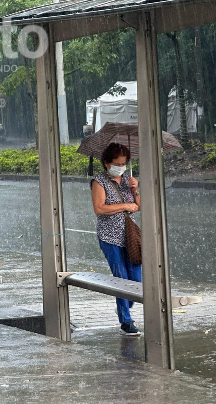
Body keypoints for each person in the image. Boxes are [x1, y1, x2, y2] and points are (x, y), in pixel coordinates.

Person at [90, 143, 142, 336]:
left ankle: (124, 305)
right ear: (106, 163)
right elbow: (99, 208)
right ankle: (126, 321)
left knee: (136, 281)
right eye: (116, 163)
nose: (120, 167)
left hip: (130, 236)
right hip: (109, 237)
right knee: (121, 278)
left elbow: (138, 206)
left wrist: (135, 190)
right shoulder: (99, 181)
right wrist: (124, 205)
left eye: (123, 163)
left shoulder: (128, 179)